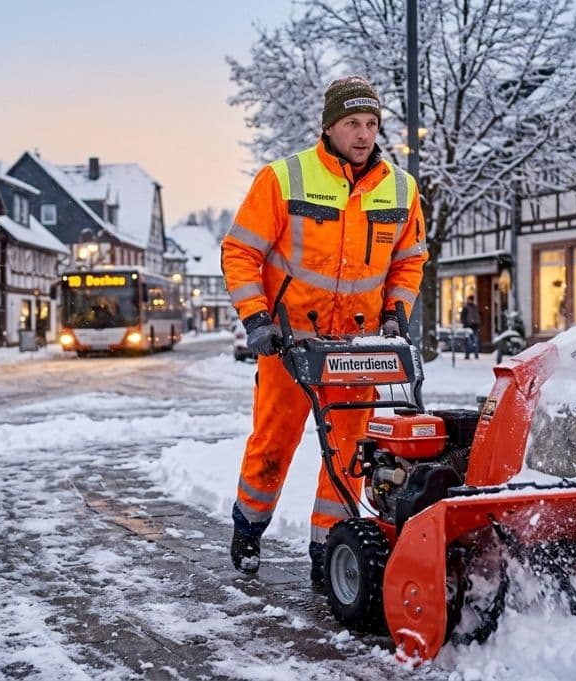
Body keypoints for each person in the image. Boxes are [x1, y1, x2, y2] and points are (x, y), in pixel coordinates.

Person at [221, 76, 427, 586]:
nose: (362, 134)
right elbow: (241, 251)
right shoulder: (284, 178)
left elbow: (409, 259)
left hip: (358, 347)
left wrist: (397, 310)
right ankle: (249, 527)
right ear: (329, 127)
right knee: (273, 442)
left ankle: (327, 552)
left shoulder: (400, 188)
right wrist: (257, 320)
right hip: (290, 342)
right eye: (352, 123)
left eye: (371, 123)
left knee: (349, 452)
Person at [459, 294, 481, 360]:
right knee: (468, 342)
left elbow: (478, 316)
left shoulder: (474, 307)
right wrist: (465, 323)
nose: (470, 301)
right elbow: (462, 317)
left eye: (470, 300)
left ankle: (475, 355)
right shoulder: (466, 308)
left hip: (474, 326)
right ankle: (467, 355)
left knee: (475, 341)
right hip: (468, 327)